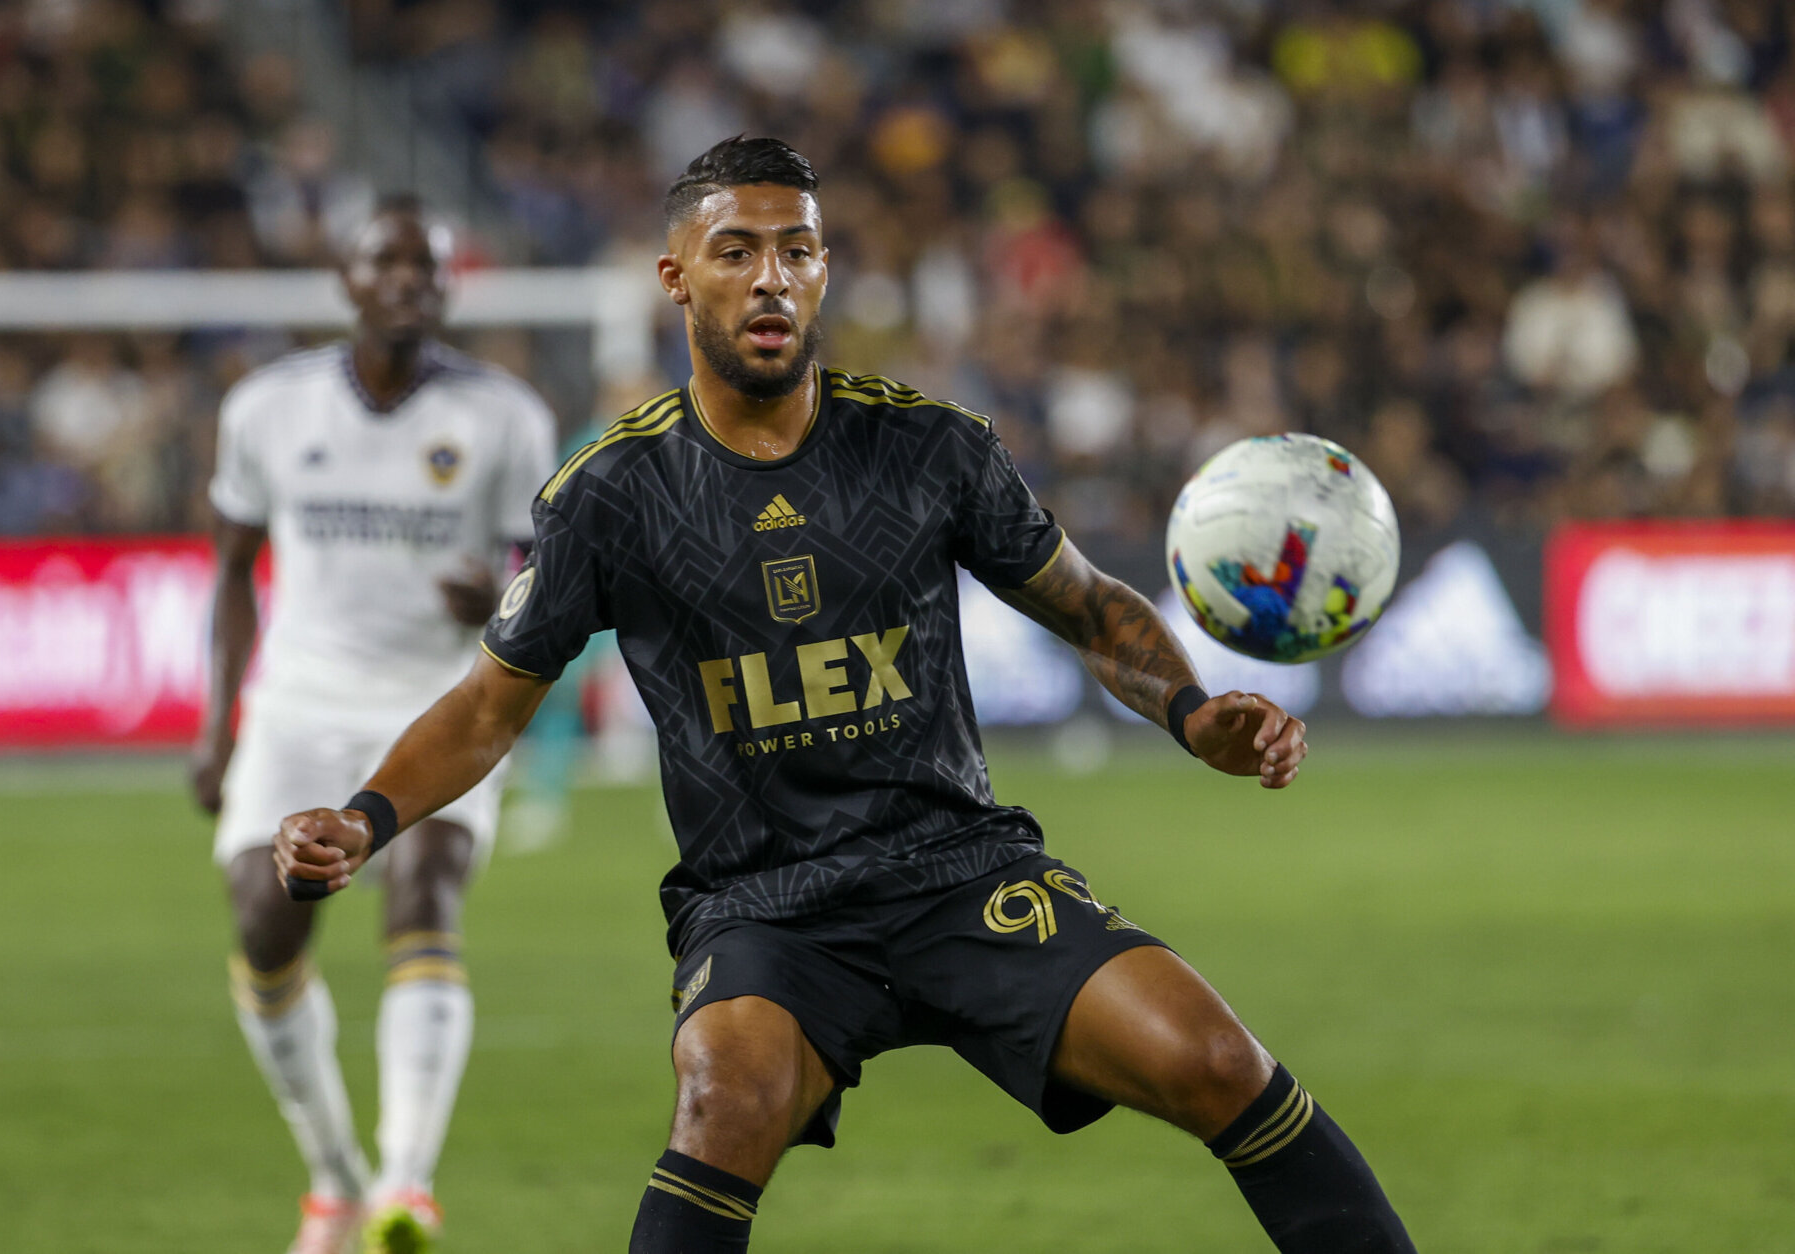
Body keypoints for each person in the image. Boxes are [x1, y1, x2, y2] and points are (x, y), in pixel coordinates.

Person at [274, 139, 1414, 1253]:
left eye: (797, 251)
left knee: (1217, 1062)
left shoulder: (928, 448)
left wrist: (1193, 713)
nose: (769, 277)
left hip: (957, 871)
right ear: (677, 277)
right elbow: (487, 708)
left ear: (825, 270)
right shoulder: (611, 495)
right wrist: (365, 817)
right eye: (735, 251)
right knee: (723, 1100)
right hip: (764, 906)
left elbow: (1088, 606)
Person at [192, 194, 557, 1254]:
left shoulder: (505, 416)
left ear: (447, 286)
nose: (407, 281)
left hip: (437, 706)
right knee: (265, 922)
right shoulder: (268, 407)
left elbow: (541, 581)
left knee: (422, 893)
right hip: (299, 706)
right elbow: (231, 570)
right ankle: (335, 1178)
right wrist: (219, 727)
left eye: (426, 266)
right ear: (345, 280)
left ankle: (405, 1185)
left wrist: (496, 601)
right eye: (385, 262)